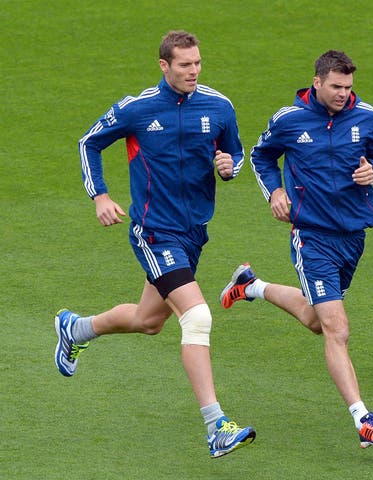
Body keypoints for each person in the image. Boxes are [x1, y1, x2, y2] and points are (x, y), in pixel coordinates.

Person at [54, 31, 256, 458]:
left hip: (194, 232)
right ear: (164, 66)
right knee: (198, 316)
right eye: (184, 65)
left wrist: (228, 166)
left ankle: (76, 329)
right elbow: (88, 142)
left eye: (198, 63)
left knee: (149, 320)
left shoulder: (218, 106)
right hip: (154, 230)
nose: (194, 71)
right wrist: (101, 197)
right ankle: (216, 425)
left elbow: (236, 155)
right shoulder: (138, 108)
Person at [219, 50, 373, 448]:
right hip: (312, 237)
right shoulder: (289, 120)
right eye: (336, 86)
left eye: (348, 87)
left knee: (317, 319)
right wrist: (275, 192)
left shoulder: (364, 116)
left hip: (353, 237)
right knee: (337, 328)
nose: (343, 94)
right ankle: (363, 420)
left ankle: (251, 286)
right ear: (316, 82)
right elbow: (261, 155)